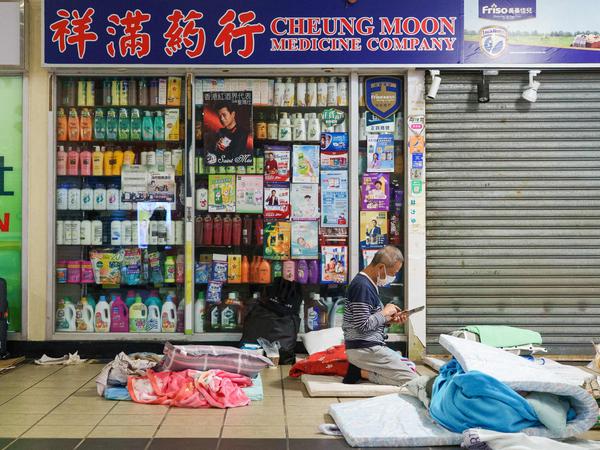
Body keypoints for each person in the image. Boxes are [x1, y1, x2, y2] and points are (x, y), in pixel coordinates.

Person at [342, 246, 416, 386]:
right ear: (381, 267)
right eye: (393, 273)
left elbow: (371, 320)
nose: (393, 278)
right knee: (413, 380)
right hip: (365, 348)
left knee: (410, 366)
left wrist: (390, 320)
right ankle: (361, 371)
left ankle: (359, 371)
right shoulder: (362, 286)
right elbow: (362, 325)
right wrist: (385, 312)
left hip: (368, 347)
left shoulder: (369, 284)